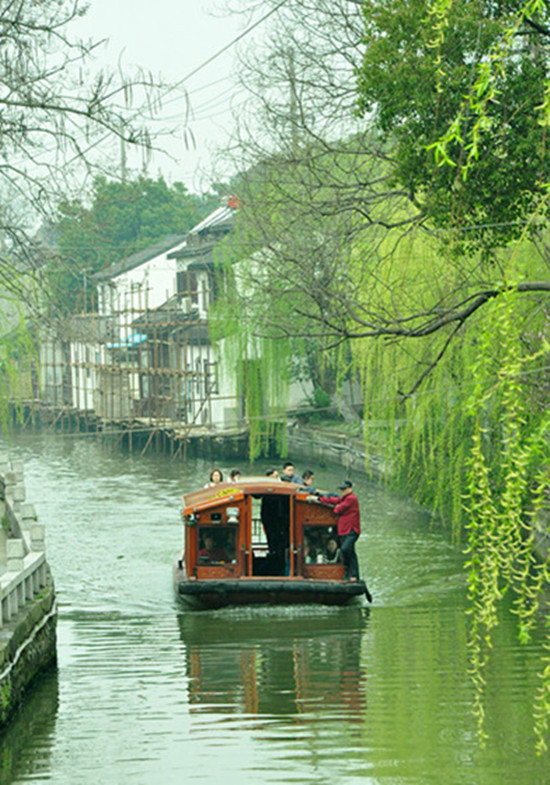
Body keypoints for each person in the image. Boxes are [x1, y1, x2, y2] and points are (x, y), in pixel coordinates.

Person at [321, 480, 361, 580]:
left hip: (351, 529)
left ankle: (353, 574)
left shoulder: (351, 499)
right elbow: (335, 501)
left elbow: (337, 510)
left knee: (346, 549)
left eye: (344, 489)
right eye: (341, 489)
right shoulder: (345, 498)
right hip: (344, 530)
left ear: (350, 489)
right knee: (349, 551)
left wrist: (336, 506)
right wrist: (321, 499)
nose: (342, 491)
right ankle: (350, 574)